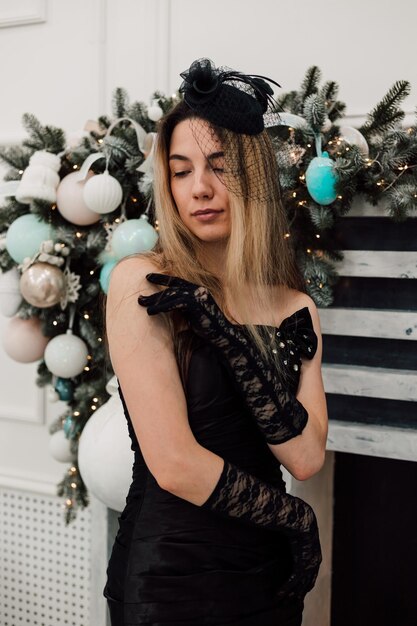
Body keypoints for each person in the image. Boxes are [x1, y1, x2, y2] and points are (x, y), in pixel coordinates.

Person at [103, 58, 328, 626]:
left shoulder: (293, 306)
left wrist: (229, 339)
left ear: (252, 175)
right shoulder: (143, 279)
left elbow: (303, 457)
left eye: (219, 166)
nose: (199, 187)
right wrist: (294, 521)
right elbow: (175, 464)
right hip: (170, 574)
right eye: (180, 171)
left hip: (267, 576)